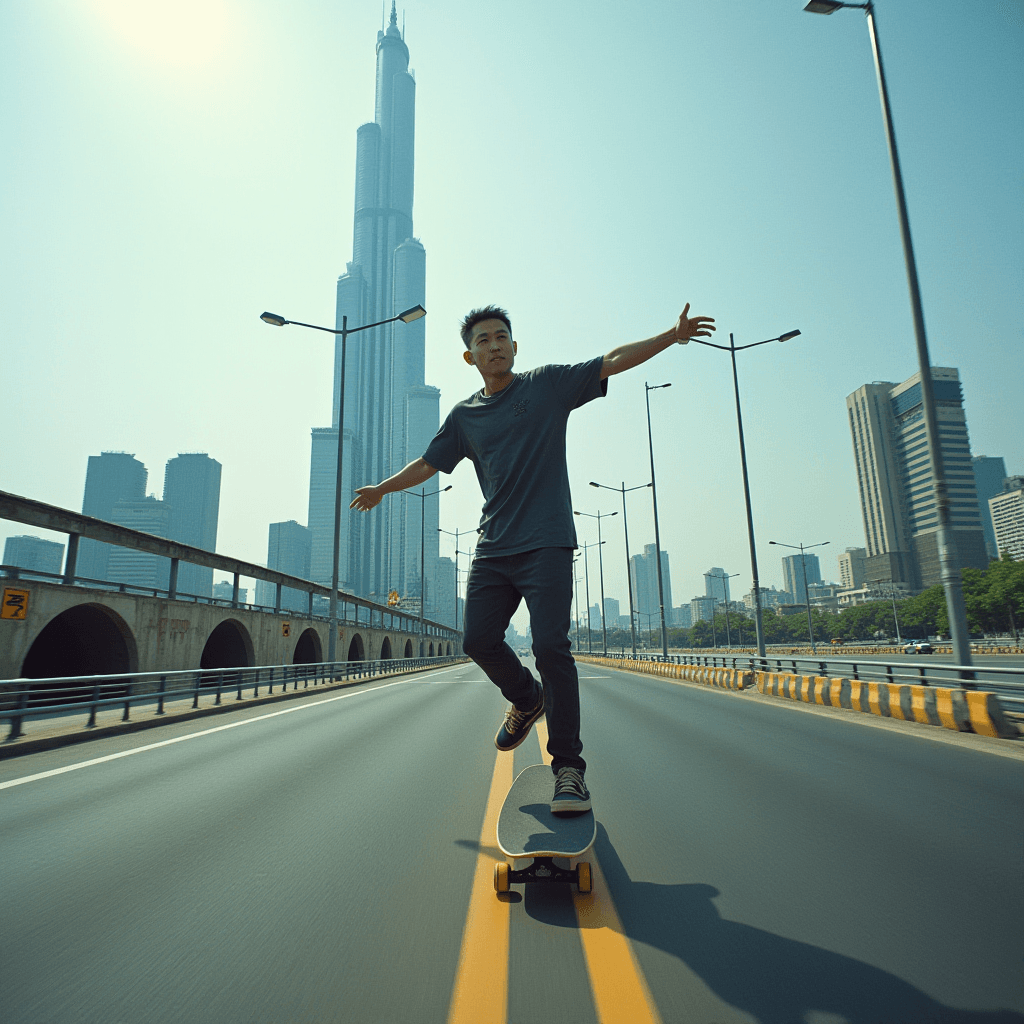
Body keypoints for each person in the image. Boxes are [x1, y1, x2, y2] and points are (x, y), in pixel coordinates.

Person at [350, 303, 715, 814]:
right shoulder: (464, 416)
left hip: (546, 542)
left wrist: (669, 336)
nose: (494, 344)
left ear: (515, 347)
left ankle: (568, 769)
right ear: (468, 354)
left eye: (502, 336)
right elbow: (430, 463)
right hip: (493, 546)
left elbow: (609, 361)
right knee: (477, 639)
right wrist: (384, 488)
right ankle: (526, 699)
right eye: (484, 339)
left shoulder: (545, 386)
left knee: (550, 646)